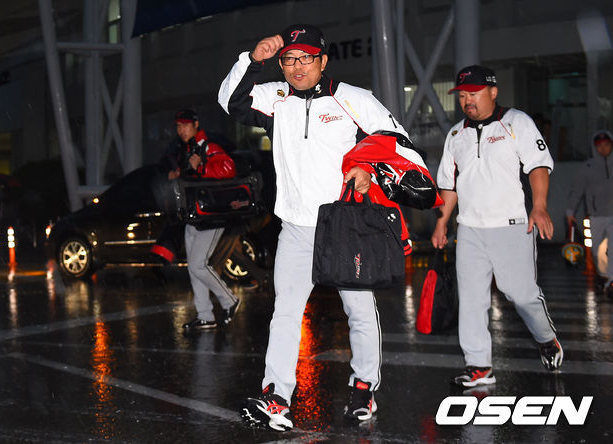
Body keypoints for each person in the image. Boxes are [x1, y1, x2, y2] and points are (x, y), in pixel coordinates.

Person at [218, 24, 434, 430]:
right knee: (285, 312)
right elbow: (230, 101)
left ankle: (364, 387)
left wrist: (369, 171)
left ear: (323, 61)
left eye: (306, 58)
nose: (297, 67)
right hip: (295, 228)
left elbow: (396, 142)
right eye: (289, 59)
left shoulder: (353, 99)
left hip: (345, 225)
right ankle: (276, 397)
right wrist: (253, 59)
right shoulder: (276, 98)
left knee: (359, 311)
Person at [431, 65, 563, 388]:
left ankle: (546, 338)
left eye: (474, 93)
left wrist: (539, 206)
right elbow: (449, 185)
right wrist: (442, 222)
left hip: (512, 225)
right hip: (470, 229)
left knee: (522, 294)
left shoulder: (517, 122)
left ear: (493, 92)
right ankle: (478, 365)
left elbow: (538, 166)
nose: (467, 100)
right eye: (462, 95)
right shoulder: (456, 135)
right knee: (472, 299)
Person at [151, 109, 240, 331]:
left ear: (196, 125)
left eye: (185, 125)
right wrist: (177, 175)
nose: (181, 130)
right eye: (178, 126)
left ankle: (229, 300)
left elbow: (228, 168)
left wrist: (200, 166)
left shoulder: (207, 146)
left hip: (211, 216)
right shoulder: (187, 148)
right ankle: (205, 315)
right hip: (194, 216)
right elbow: (191, 177)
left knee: (198, 265)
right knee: (194, 267)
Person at [566, 130, 613, 293]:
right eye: (599, 146)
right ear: (594, 147)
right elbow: (576, 191)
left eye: (606, 145)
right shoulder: (587, 167)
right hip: (596, 216)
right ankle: (604, 276)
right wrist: (570, 211)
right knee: (597, 251)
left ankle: (611, 280)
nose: (603, 149)